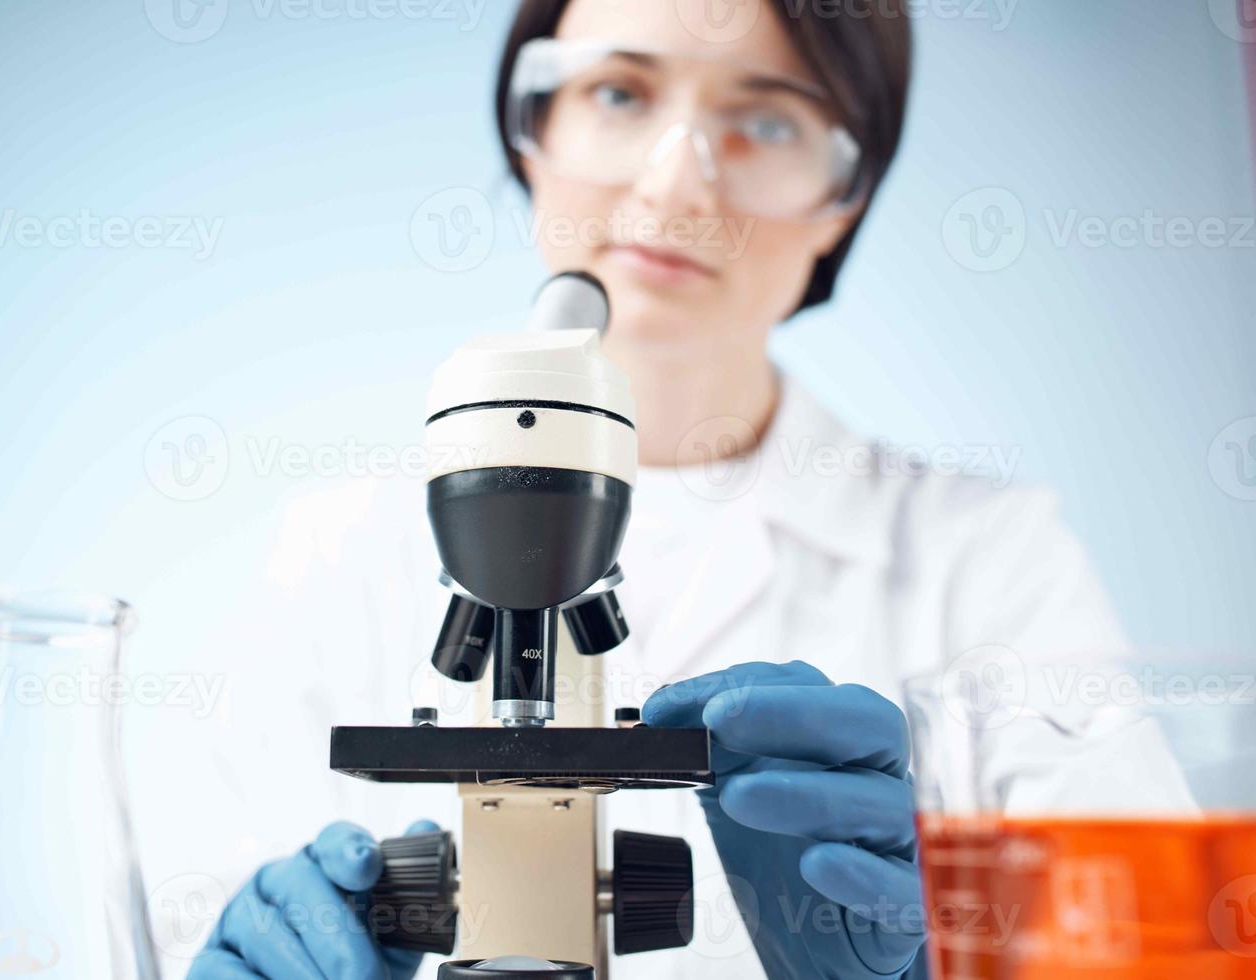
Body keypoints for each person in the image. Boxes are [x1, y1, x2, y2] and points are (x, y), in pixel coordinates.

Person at [185, 0, 1126, 977]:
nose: (675, 184)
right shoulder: (338, 549)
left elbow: (1158, 943)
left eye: (765, 120)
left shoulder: (991, 562)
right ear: (534, 130)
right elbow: (177, 907)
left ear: (846, 193)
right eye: (620, 91)